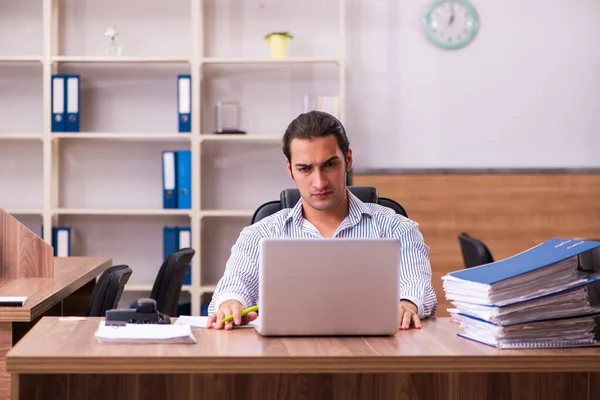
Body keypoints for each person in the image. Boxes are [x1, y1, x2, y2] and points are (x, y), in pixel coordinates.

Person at [206, 111, 437, 330]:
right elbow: (233, 286)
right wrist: (231, 303)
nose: (319, 182)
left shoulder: (396, 228)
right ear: (290, 169)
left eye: (330, 165)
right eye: (305, 169)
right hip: (284, 359)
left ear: (348, 159)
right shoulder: (259, 234)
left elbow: (416, 284)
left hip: (374, 356)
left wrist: (407, 304)